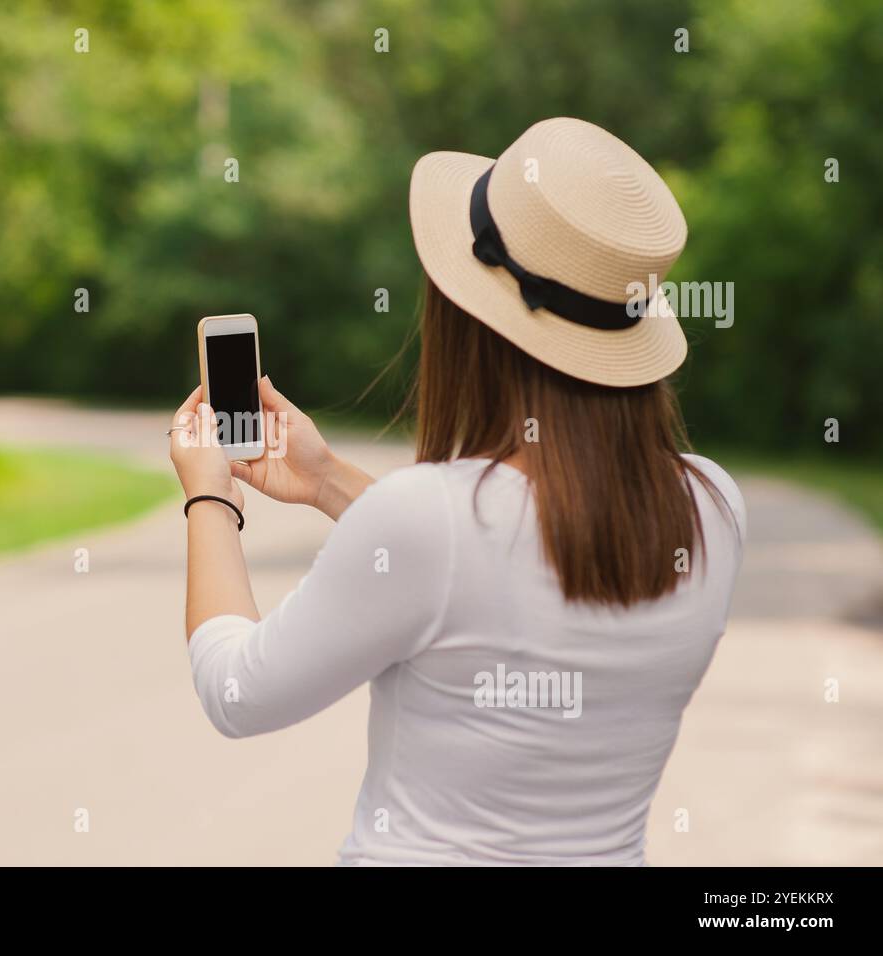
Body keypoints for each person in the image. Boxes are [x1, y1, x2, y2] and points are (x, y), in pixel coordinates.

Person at [167, 117, 745, 866]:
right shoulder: (715, 508)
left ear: (471, 322)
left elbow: (237, 693)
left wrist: (208, 495)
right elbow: (496, 567)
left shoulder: (428, 524)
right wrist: (329, 482)